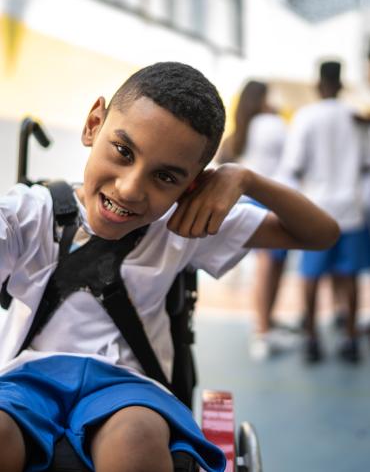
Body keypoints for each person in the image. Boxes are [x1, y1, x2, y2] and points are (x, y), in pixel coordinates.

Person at [0, 61, 339, 472]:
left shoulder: (184, 225)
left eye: (165, 177)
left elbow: (320, 234)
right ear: (93, 124)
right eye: (123, 152)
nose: (130, 188)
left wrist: (246, 180)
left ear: (191, 187)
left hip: (127, 387)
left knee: (136, 438)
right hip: (27, 378)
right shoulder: (27, 214)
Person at [278, 60, 370, 364]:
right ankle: (350, 338)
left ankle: (312, 338)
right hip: (351, 208)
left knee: (311, 276)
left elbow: (293, 165)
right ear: (341, 85)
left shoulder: (306, 117)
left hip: (316, 209)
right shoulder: (357, 118)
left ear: (318, 85)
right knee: (349, 276)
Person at [218, 81, 292, 360]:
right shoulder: (272, 124)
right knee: (270, 266)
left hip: (248, 199)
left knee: (266, 266)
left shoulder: (241, 130)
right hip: (272, 198)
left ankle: (264, 326)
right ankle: (263, 329)